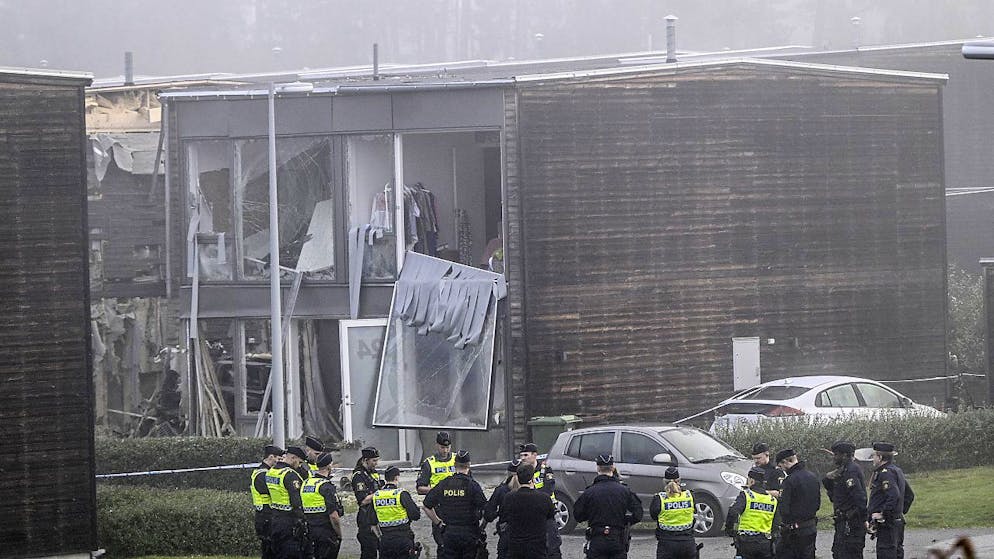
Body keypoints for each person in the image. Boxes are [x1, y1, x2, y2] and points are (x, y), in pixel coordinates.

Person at [575, 454, 643, 559]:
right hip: (617, 539)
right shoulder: (624, 491)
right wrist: (624, 520)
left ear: (598, 468)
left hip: (597, 538)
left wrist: (592, 515)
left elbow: (578, 515)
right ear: (612, 468)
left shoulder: (590, 491)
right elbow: (638, 513)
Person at [424, 450, 488, 559]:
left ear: (454, 464)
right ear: (469, 465)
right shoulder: (473, 485)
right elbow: (486, 510)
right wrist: (482, 527)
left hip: (449, 533)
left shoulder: (444, 484)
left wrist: (438, 523)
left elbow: (426, 506)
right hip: (469, 533)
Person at [866, 442, 914, 559]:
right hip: (896, 522)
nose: (873, 459)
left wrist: (884, 514)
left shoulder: (886, 473)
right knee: (896, 553)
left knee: (886, 553)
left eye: (874, 455)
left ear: (880, 457)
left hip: (888, 525)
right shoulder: (896, 470)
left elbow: (893, 495)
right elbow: (909, 495)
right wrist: (899, 512)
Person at [500, 463, 557, 559]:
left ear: (518, 478)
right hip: (537, 548)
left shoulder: (509, 498)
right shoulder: (543, 498)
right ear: (532, 479)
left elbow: (503, 517)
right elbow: (550, 516)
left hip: (516, 547)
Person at [822, 441, 867, 559]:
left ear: (845, 455)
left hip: (851, 523)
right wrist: (827, 478)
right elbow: (835, 493)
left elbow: (859, 498)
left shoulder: (851, 471)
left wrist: (863, 519)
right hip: (843, 522)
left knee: (848, 553)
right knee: (838, 552)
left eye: (836, 455)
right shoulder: (842, 470)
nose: (834, 457)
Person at [518, 442, 562, 559]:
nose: (523, 458)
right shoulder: (520, 471)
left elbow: (548, 489)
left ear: (534, 455)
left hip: (546, 512)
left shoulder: (545, 470)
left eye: (526, 455)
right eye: (521, 455)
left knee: (551, 545)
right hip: (528, 513)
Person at [724, 466, 778, 559]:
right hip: (765, 543)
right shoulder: (772, 500)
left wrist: (730, 530)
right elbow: (776, 524)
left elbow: (733, 512)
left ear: (752, 481)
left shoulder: (746, 495)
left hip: (746, 542)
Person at [775, 449, 819, 559]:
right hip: (810, 527)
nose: (782, 469)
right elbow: (817, 503)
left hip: (794, 532)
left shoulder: (789, 481)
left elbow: (784, 508)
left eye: (781, 466)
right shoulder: (813, 477)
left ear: (786, 462)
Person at [417, 431, 456, 556]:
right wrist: (438, 490)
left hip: (457, 506)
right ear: (437, 445)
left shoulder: (457, 459)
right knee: (442, 545)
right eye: (442, 447)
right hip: (439, 508)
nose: (445, 450)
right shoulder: (429, 463)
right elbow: (420, 488)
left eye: (447, 447)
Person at [266, 446, 308, 559]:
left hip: (275, 518)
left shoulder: (271, 471)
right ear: (293, 458)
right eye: (299, 462)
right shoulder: (290, 475)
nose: (299, 465)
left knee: (277, 552)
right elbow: (296, 502)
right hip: (289, 521)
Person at [373, 465, 422, 559]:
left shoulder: (377, 495)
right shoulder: (401, 494)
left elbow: (371, 522)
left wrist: (380, 538)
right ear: (396, 477)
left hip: (385, 540)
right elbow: (416, 515)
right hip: (403, 539)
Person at [302, 452, 344, 559]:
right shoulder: (326, 486)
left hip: (308, 531)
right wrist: (339, 534)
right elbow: (333, 516)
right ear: (329, 466)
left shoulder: (306, 483)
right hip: (325, 532)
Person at [650, 466, 696, 559]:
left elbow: (654, 516)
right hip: (687, 543)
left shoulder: (659, 498)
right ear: (679, 481)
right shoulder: (689, 496)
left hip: (666, 544)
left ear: (664, 482)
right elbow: (694, 512)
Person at [483, 459, 522, 559]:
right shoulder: (530, 491)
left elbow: (488, 514)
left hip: (506, 535)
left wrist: (497, 513)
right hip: (525, 536)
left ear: (507, 473)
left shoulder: (501, 490)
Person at [352, 447, 384, 559]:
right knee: (369, 553)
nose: (376, 463)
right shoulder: (359, 476)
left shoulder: (373, 473)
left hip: (377, 516)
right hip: (366, 518)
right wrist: (382, 494)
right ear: (365, 460)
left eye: (377, 460)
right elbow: (363, 500)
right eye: (374, 461)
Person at [252, 444, 284, 559]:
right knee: (269, 551)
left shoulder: (265, 472)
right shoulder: (263, 474)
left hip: (266, 515)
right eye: (278, 459)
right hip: (266, 516)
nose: (280, 462)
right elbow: (273, 492)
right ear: (271, 457)